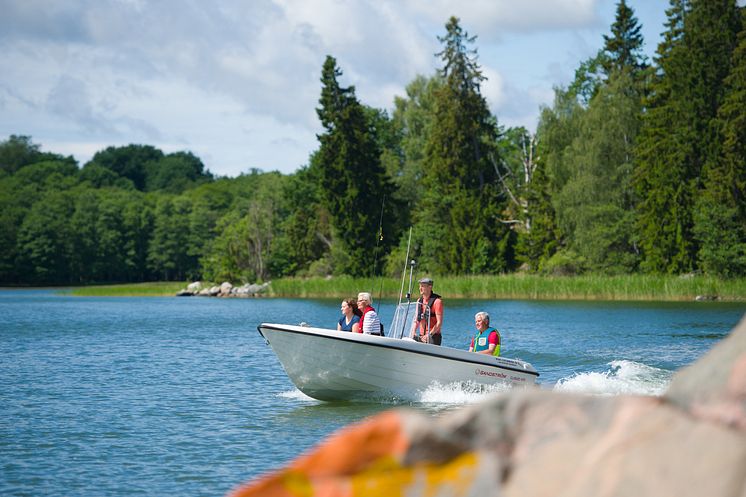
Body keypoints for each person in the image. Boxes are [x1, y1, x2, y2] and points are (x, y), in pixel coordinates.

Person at [410, 277, 443, 345]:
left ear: (430, 287)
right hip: (421, 336)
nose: (420, 288)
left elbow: (439, 323)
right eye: (419, 286)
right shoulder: (419, 301)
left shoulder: (437, 302)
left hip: (433, 337)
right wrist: (413, 331)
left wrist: (429, 335)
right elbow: (416, 320)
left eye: (422, 286)